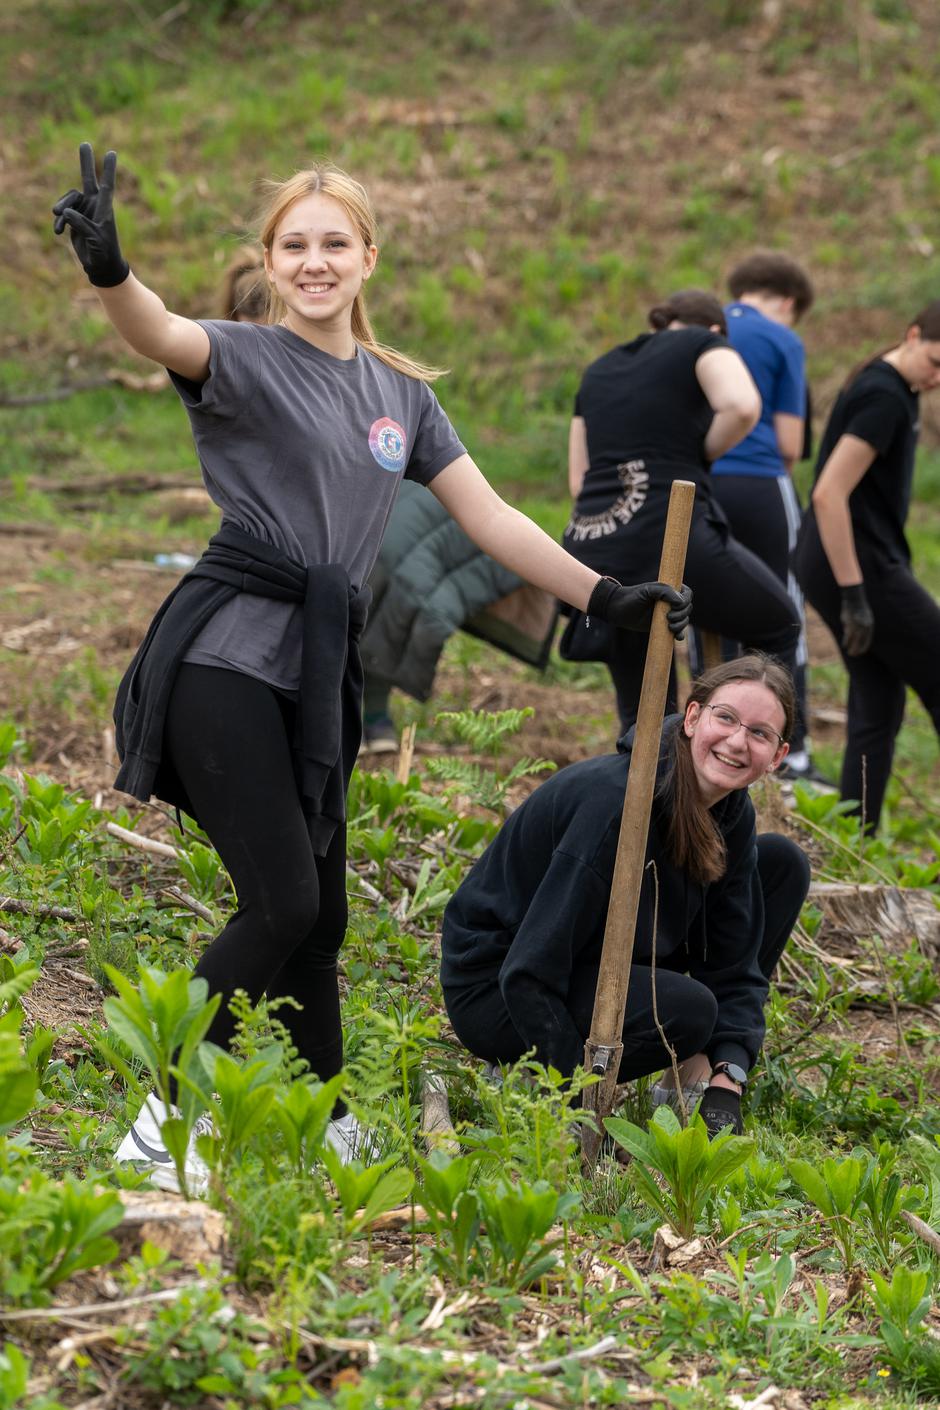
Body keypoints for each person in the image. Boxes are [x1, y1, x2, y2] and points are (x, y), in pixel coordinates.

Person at [52, 143, 691, 1185]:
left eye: (332, 243)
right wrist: (111, 272)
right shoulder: (244, 358)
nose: (314, 261)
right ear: (269, 260)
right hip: (222, 661)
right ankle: (163, 1122)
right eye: (294, 245)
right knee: (284, 905)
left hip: (313, 679)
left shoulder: (402, 395)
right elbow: (155, 332)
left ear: (367, 259)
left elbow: (489, 517)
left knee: (325, 916)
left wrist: (606, 596)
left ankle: (324, 1112)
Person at [440, 655, 811, 1137]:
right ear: (693, 716)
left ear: (778, 756)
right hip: (500, 990)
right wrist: (572, 1092)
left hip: (598, 957)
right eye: (726, 718)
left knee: (781, 864)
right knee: (691, 1009)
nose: (738, 742)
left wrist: (729, 1076)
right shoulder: (619, 806)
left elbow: (735, 965)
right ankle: (525, 1072)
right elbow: (529, 968)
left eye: (760, 733)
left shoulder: (731, 813)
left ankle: (692, 1074)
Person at [219, 249, 558, 754]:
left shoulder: (336, 362)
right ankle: (358, 720)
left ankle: (364, 718)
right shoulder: (246, 365)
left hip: (383, 508)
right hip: (368, 515)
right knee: (370, 593)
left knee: (376, 587)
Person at [561, 289, 801, 734]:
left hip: (596, 547)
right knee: (780, 623)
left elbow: (580, 480)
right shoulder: (701, 343)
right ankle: (746, 744)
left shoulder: (600, 369)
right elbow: (742, 405)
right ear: (714, 331)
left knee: (644, 718)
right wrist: (703, 453)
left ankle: (654, 795)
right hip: (667, 533)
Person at [794, 303, 940, 833]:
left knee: (878, 699)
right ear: (913, 333)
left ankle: (860, 836)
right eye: (936, 359)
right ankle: (861, 831)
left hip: (835, 557)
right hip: (853, 561)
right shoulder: (884, 396)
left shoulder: (893, 387)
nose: (937, 376)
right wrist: (854, 593)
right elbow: (830, 493)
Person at [693, 252, 821, 781]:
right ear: (788, 302)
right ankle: (789, 755)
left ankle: (706, 735)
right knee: (783, 610)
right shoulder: (781, 339)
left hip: (701, 479)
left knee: (703, 608)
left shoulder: (703, 328)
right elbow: (790, 441)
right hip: (762, 482)